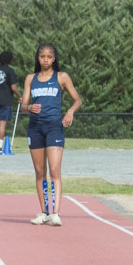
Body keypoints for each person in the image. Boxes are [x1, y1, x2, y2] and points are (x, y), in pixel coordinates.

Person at [22, 42, 81, 226]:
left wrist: (70, 111)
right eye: (42, 57)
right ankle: (43, 212)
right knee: (40, 172)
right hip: (35, 128)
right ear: (38, 58)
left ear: (54, 59)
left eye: (49, 57)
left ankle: (55, 213)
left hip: (54, 127)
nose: (45, 60)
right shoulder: (31, 78)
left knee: (54, 170)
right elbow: (23, 105)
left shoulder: (61, 77)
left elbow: (77, 99)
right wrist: (29, 107)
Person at [0, 50, 19, 153]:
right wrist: (20, 95)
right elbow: (13, 87)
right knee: (2, 123)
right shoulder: (10, 71)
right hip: (5, 100)